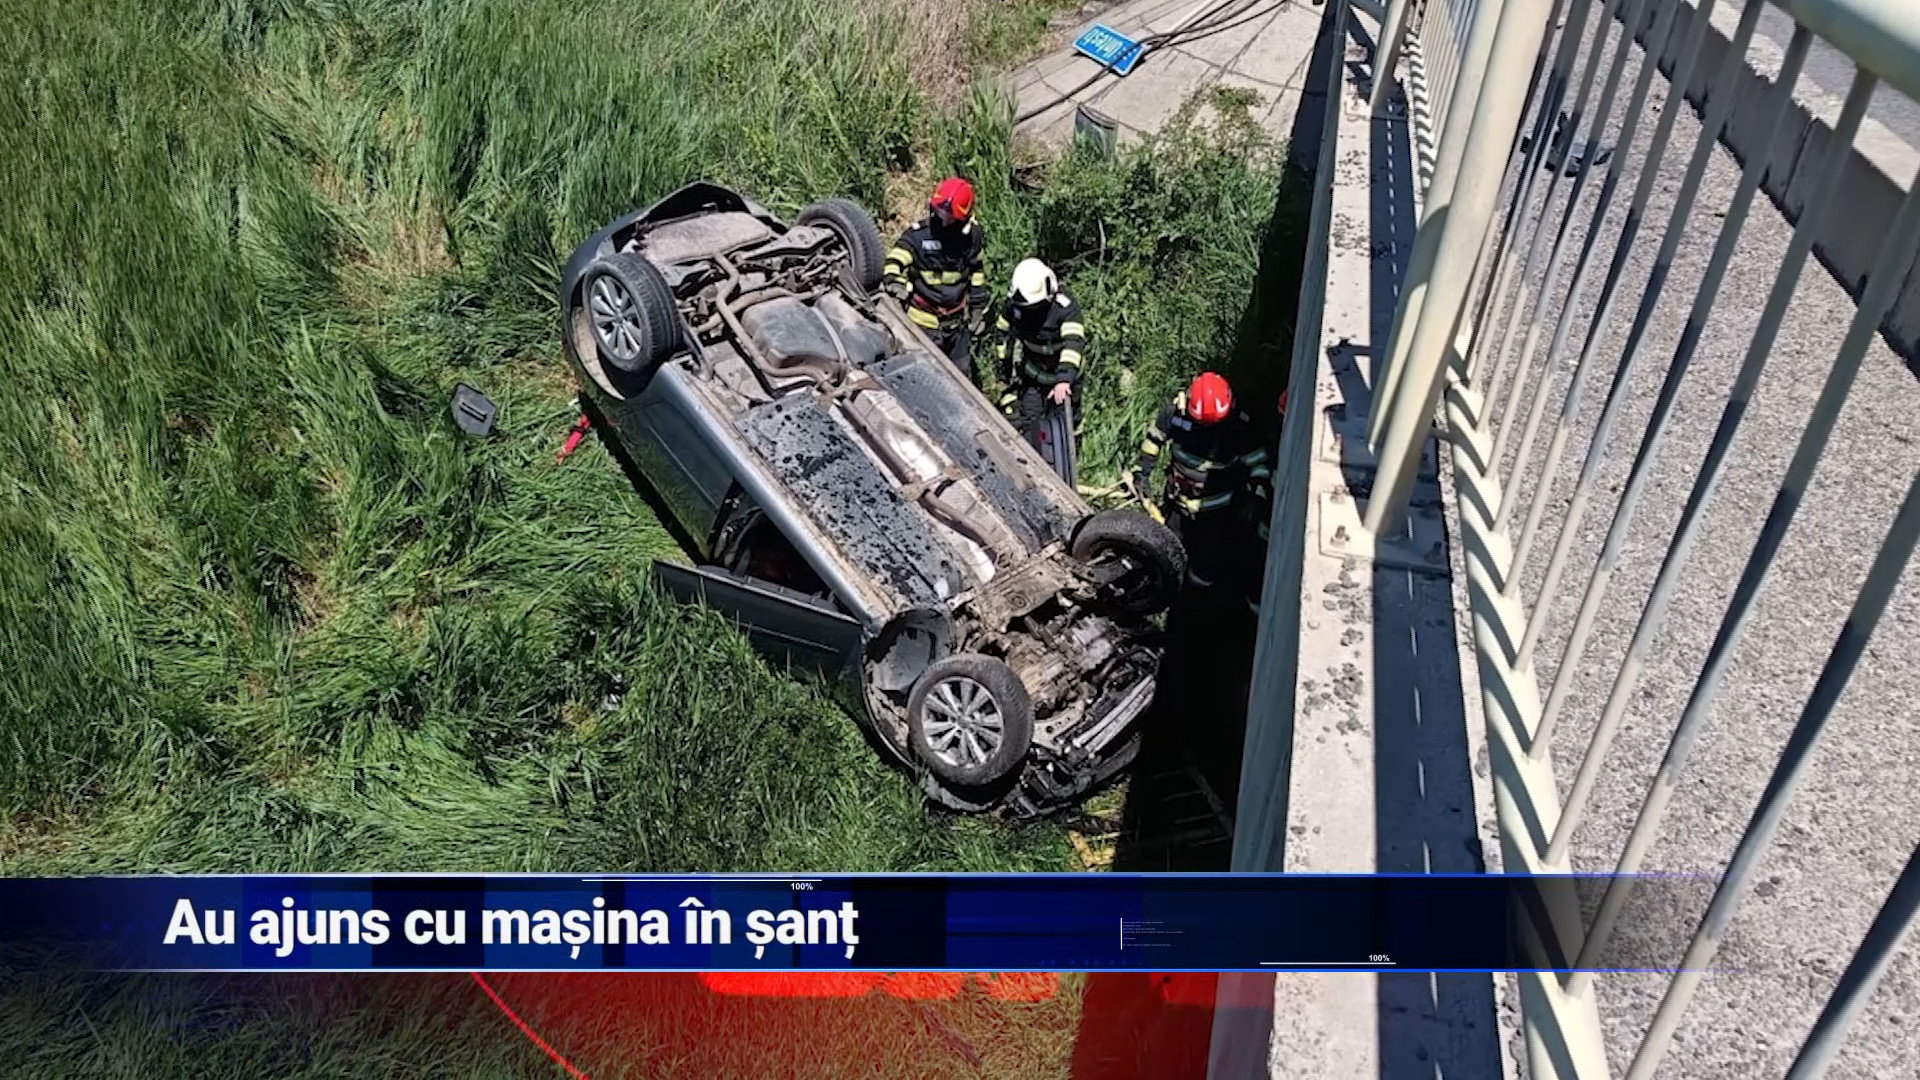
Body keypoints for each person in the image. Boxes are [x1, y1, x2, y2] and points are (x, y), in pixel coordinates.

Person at [1131, 372, 1272, 592]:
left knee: (1205, 564)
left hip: (1216, 512)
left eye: (1213, 424)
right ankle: (1161, 590)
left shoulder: (1237, 425)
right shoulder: (1174, 414)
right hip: (1177, 503)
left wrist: (1257, 493)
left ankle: (1194, 599)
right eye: (1202, 424)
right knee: (1167, 549)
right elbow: (1154, 441)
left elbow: (1258, 461)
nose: (1207, 429)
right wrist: (1142, 474)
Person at [883, 177, 991, 383]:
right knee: (923, 378)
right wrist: (895, 282)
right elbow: (894, 261)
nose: (943, 219)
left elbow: (976, 272)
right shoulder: (919, 236)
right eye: (940, 211)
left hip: (957, 327)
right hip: (923, 325)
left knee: (962, 377)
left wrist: (977, 309)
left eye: (950, 216)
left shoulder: (971, 237)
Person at [993, 258, 1086, 458]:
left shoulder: (1065, 308)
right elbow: (1003, 333)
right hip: (1033, 375)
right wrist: (1004, 368)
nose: (1031, 311)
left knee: (1065, 426)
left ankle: (1067, 462)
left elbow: (1073, 343)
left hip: (1063, 381)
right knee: (1030, 421)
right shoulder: (1015, 305)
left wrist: (1063, 379)